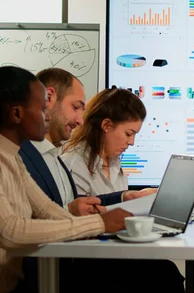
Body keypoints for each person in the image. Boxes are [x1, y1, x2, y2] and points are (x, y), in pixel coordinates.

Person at [17, 68, 184, 292]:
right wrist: (91, 219)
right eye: (75, 107)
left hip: (72, 258)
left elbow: (57, 209)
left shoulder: (53, 157)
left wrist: (123, 197)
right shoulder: (28, 157)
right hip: (61, 267)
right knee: (162, 275)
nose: (79, 119)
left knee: (163, 272)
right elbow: (24, 225)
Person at [0, 66, 130, 293]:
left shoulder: (13, 158)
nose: (46, 116)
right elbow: (10, 231)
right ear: (17, 114)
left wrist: (104, 224)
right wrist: (98, 224)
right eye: (41, 110)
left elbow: (48, 210)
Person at [61, 87, 156, 198]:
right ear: (106, 125)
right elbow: (80, 212)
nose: (131, 142)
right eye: (128, 134)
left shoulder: (114, 164)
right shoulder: (73, 165)